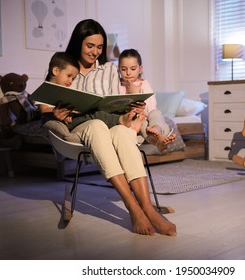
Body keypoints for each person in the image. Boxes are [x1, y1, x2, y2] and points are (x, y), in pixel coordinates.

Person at [42, 19, 176, 236]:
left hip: (111, 122)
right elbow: (46, 103)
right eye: (90, 46)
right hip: (82, 127)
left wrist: (135, 104)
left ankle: (149, 209)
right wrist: (54, 113)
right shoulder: (67, 67)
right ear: (79, 42)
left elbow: (121, 98)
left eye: (99, 47)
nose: (95, 51)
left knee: (123, 132)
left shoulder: (111, 70)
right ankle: (133, 208)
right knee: (95, 126)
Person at [118, 48, 176, 152]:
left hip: (147, 116)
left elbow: (151, 107)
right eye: (123, 69)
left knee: (156, 114)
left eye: (133, 68)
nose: (128, 73)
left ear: (140, 69)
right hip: (132, 120)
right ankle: (159, 141)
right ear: (118, 70)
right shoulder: (118, 86)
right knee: (144, 124)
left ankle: (157, 130)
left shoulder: (144, 84)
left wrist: (137, 94)